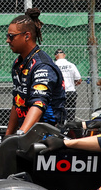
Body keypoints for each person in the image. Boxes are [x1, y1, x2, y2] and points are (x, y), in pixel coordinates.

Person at [4, 8, 66, 136]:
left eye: (11, 36)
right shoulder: (19, 63)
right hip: (27, 134)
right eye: (7, 36)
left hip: (47, 137)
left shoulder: (42, 66)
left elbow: (39, 103)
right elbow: (17, 102)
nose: (7, 40)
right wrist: (8, 136)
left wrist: (21, 134)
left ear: (27, 36)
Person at [53, 51, 82, 124]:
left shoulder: (54, 65)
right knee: (71, 114)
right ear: (64, 55)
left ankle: (60, 128)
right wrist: (72, 84)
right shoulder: (71, 65)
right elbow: (79, 79)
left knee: (59, 113)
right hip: (70, 91)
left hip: (59, 92)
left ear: (56, 56)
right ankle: (70, 129)